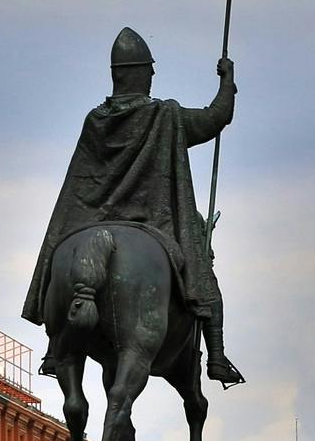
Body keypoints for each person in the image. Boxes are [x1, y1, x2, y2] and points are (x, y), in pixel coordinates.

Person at [23, 27, 245, 384]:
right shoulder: (165, 116)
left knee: (61, 260)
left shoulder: (95, 120)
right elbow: (214, 119)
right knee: (204, 277)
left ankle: (55, 344)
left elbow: (79, 186)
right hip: (152, 223)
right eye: (150, 69)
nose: (154, 75)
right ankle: (216, 359)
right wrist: (228, 81)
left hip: (91, 219)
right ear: (143, 72)